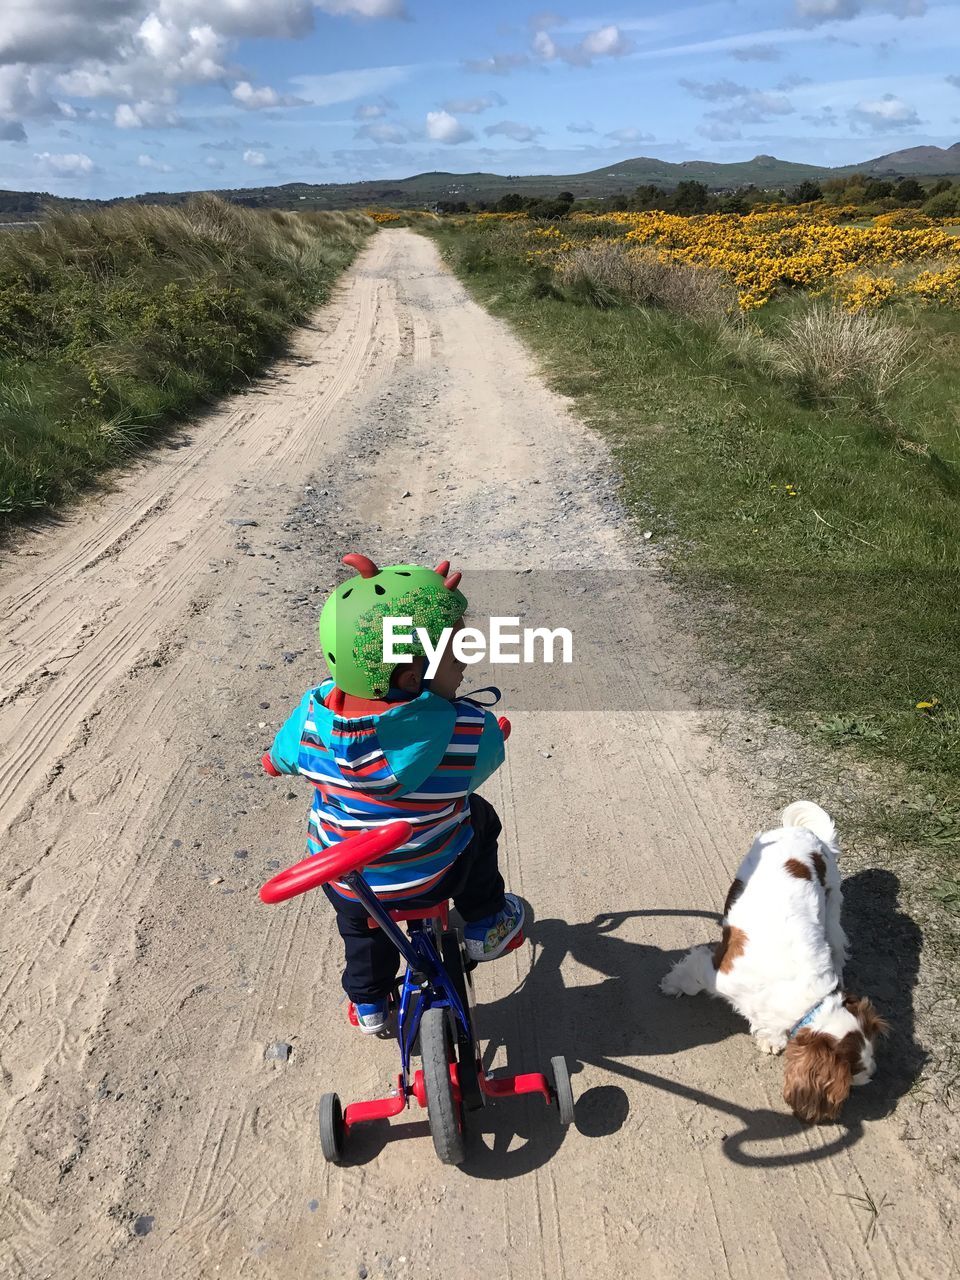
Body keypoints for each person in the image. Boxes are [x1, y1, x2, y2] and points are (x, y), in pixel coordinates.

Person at [264, 553, 524, 1034]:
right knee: (479, 818)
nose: (468, 655)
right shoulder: (465, 731)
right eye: (458, 646)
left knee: (361, 928)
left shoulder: (310, 717)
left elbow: (279, 757)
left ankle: (369, 1004)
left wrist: (273, 764)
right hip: (436, 871)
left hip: (352, 880)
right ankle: (487, 922)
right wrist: (494, 735)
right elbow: (486, 762)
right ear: (411, 678)